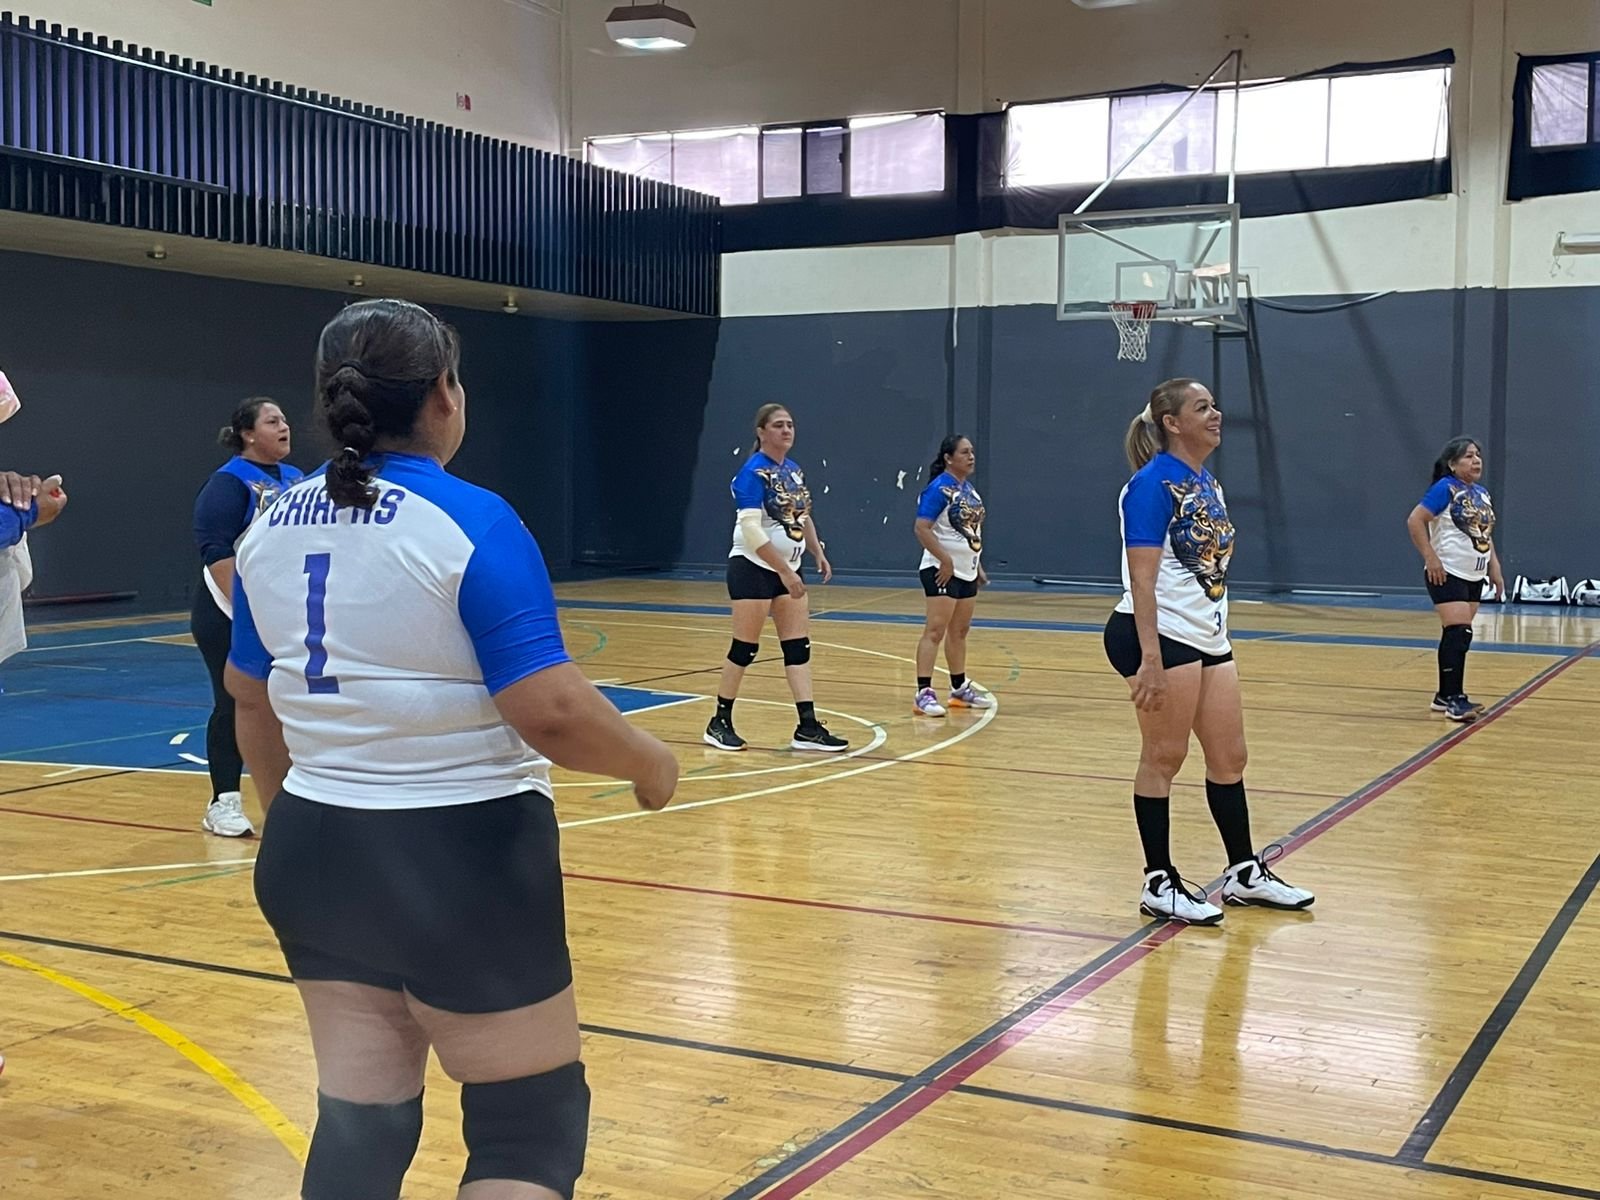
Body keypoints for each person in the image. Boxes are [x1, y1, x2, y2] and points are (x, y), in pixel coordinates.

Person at [227, 298, 679, 1200]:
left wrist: (300, 819)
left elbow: (252, 702)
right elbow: (548, 708)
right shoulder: (468, 519)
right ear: (443, 394)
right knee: (527, 1127)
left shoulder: (268, 527)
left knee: (364, 1122)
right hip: (459, 856)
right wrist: (646, 759)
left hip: (317, 849)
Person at [1102, 378, 1314, 926]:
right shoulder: (1151, 486)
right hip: (1159, 635)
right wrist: (1150, 659)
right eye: (1203, 408)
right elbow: (1141, 581)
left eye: (1214, 405)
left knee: (1230, 758)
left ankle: (1244, 872)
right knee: (1164, 758)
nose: (1216, 414)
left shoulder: (1207, 482)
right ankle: (1158, 882)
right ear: (1173, 423)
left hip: (1206, 635)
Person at [704, 403, 848, 753]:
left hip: (789, 569)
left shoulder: (794, 471)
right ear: (761, 432)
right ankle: (719, 721)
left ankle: (808, 727)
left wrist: (817, 551)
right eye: (779, 425)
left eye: (790, 425)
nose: (787, 430)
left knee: (798, 648)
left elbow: (802, 516)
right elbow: (750, 528)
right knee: (745, 647)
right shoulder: (752, 473)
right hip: (754, 568)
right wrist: (784, 570)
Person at [190, 398, 301, 837]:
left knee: (288, 705)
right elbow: (216, 552)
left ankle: (292, 796)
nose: (284, 426)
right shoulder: (228, 483)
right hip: (228, 608)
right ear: (247, 433)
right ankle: (223, 801)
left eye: (285, 419)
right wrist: (251, 615)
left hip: (281, 610)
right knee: (233, 700)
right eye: (273, 420)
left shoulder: (298, 481)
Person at [1405, 436, 1503, 723]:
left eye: (1478, 455)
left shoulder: (1481, 493)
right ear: (1452, 463)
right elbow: (1415, 520)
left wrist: (1494, 568)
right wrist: (1430, 557)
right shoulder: (1445, 489)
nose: (1476, 461)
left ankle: (1444, 696)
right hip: (1447, 571)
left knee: (1461, 635)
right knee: (1457, 630)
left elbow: (1484, 534)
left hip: (1474, 572)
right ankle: (1455, 700)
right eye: (1468, 456)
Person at [911, 434, 992, 717]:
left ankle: (959, 688)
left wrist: (976, 565)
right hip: (940, 571)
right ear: (948, 458)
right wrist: (945, 560)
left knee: (960, 631)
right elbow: (922, 528)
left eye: (972, 452)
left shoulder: (969, 490)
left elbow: (971, 532)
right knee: (935, 630)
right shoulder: (939, 489)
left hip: (966, 571)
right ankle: (923, 693)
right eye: (964, 452)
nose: (971, 457)